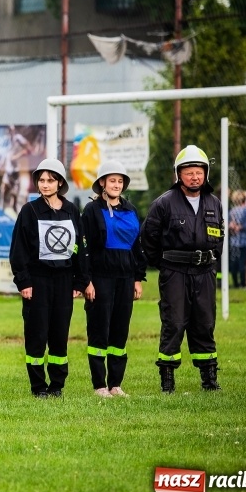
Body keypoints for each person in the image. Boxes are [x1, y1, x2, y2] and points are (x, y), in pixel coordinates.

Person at [141, 145, 224, 394]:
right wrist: (166, 264)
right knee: (174, 323)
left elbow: (219, 237)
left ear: (206, 174)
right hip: (174, 273)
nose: (194, 176)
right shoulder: (164, 203)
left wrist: (209, 260)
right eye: (188, 172)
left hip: (205, 273)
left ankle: (209, 379)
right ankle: (168, 381)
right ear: (179, 174)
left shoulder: (214, 203)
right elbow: (148, 238)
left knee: (205, 323)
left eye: (198, 171)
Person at [9, 158, 88, 399]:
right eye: (41, 180)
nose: (45, 184)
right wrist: (24, 282)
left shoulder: (72, 211)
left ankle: (56, 385)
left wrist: (79, 281)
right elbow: (18, 250)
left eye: (50, 180)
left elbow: (79, 247)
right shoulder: (29, 211)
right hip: (37, 281)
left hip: (64, 282)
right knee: (36, 334)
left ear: (60, 183)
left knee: (59, 335)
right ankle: (38, 386)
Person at [81, 161, 146, 398]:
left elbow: (137, 247)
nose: (116, 185)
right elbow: (84, 249)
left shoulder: (131, 209)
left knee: (120, 331)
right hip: (100, 279)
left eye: (120, 181)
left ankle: (115, 385)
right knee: (99, 331)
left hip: (126, 279)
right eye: (112, 181)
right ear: (102, 184)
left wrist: (137, 278)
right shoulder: (91, 210)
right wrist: (86, 281)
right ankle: (99, 385)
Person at [228, 190, 246, 288]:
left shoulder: (231, 211)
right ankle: (243, 283)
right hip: (244, 241)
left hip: (234, 241)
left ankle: (235, 283)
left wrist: (233, 227)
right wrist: (240, 227)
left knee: (234, 262)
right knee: (243, 263)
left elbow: (229, 224)